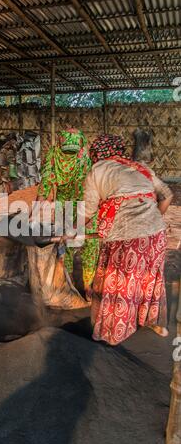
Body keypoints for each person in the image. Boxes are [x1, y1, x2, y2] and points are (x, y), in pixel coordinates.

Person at [83, 134, 173, 346]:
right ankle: (155, 322)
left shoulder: (98, 170)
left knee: (120, 285)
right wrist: (151, 220)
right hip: (155, 235)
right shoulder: (139, 167)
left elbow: (87, 211)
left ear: (97, 153)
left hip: (125, 237)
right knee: (149, 279)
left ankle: (114, 333)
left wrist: (72, 230)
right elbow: (167, 195)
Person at [37, 128, 99, 297]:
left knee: (66, 241)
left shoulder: (54, 155)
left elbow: (46, 183)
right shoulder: (84, 157)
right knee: (90, 244)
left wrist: (38, 206)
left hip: (64, 206)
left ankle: (69, 281)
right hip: (86, 206)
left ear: (60, 141)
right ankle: (88, 286)